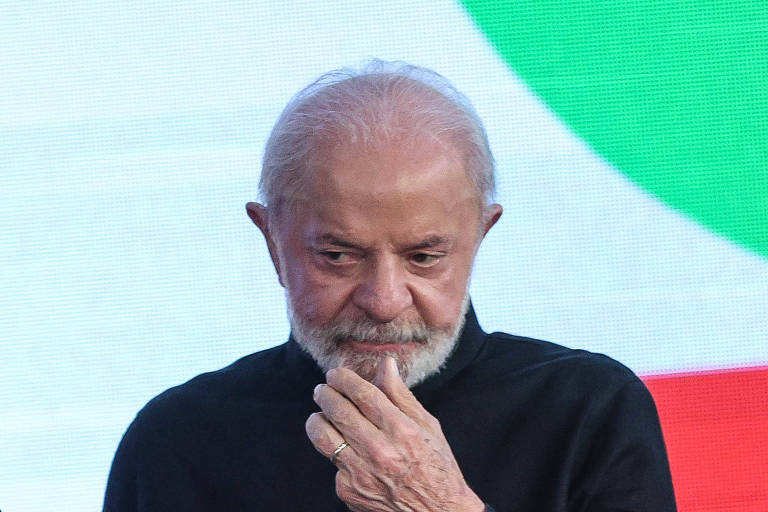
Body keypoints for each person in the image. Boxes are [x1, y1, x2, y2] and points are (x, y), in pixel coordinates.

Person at [103, 60, 677, 511]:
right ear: (272, 241)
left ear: (480, 236)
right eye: (337, 256)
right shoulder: (178, 440)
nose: (383, 300)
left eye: (424, 257)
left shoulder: (588, 411)